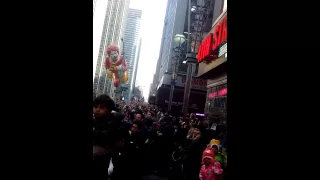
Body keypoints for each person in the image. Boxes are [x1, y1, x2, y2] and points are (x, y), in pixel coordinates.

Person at [93, 94, 121, 180]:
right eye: (95, 106)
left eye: (101, 107)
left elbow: (104, 138)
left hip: (101, 162)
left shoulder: (112, 124)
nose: (97, 109)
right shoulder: (95, 121)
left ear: (109, 110)